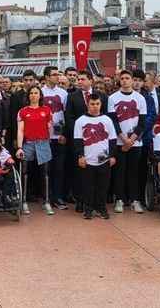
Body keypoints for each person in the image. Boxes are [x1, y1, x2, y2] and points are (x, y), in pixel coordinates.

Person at [65, 70, 107, 212]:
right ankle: (80, 200)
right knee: (79, 172)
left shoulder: (101, 96)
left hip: (98, 141)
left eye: (82, 79)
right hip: (80, 140)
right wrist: (79, 132)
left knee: (98, 173)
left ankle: (96, 202)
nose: (79, 81)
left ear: (90, 80)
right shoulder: (72, 97)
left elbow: (106, 118)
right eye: (78, 79)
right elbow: (69, 117)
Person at [108, 70, 147, 214]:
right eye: (122, 78)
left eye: (127, 78)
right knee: (120, 172)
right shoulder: (112, 98)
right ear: (119, 80)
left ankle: (135, 200)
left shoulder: (140, 98)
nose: (124, 80)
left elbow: (142, 122)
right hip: (119, 142)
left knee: (134, 172)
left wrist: (132, 140)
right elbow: (113, 120)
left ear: (132, 80)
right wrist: (123, 139)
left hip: (135, 142)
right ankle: (119, 199)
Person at [74, 93, 117, 220]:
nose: (95, 107)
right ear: (87, 104)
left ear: (101, 104)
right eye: (92, 104)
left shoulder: (107, 120)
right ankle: (88, 209)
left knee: (103, 186)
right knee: (87, 186)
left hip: (104, 160)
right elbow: (77, 141)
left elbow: (113, 140)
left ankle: (101, 208)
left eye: (97, 104)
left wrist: (112, 156)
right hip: (87, 160)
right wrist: (80, 156)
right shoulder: (80, 121)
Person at [15, 85, 54, 215]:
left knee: (45, 173)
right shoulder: (23, 111)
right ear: (28, 96)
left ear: (40, 95)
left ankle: (46, 201)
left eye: (36, 93)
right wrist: (20, 147)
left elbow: (50, 128)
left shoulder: (47, 110)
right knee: (25, 172)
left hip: (43, 143)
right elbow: (20, 130)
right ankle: (24, 201)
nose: (33, 95)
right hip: (28, 144)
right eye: (31, 93)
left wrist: (48, 142)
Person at [41, 66, 70, 210]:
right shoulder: (40, 92)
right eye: (53, 75)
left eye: (58, 74)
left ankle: (57, 197)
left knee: (59, 169)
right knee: (46, 169)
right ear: (46, 77)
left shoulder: (63, 94)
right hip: (43, 137)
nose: (57, 77)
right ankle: (46, 197)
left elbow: (67, 115)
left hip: (59, 137)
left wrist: (64, 133)